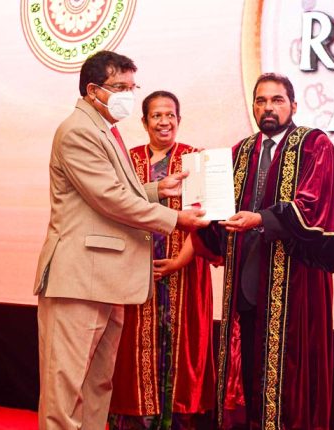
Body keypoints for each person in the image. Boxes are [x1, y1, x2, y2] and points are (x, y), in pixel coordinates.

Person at [33, 51, 209, 430]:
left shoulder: (105, 129)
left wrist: (158, 189)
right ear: (93, 90)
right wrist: (175, 218)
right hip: (78, 279)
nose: (128, 95)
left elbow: (114, 190)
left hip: (106, 278)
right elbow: (109, 198)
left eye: (132, 87)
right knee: (65, 390)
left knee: (97, 385)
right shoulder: (78, 131)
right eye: (119, 87)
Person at [198, 73, 334, 429]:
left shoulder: (314, 145)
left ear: (293, 106)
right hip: (247, 285)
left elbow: (315, 207)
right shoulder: (239, 152)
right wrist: (200, 211)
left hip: (295, 288)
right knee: (251, 376)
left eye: (277, 100)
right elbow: (220, 216)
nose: (268, 107)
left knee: (293, 381)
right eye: (261, 100)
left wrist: (261, 219)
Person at [109, 91, 215, 430]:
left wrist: (179, 261)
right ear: (144, 122)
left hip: (185, 271)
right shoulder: (127, 159)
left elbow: (206, 219)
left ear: (179, 120)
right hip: (135, 272)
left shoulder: (195, 159)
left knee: (182, 350)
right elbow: (116, 210)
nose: (164, 122)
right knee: (132, 351)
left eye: (170, 115)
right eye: (156, 115)